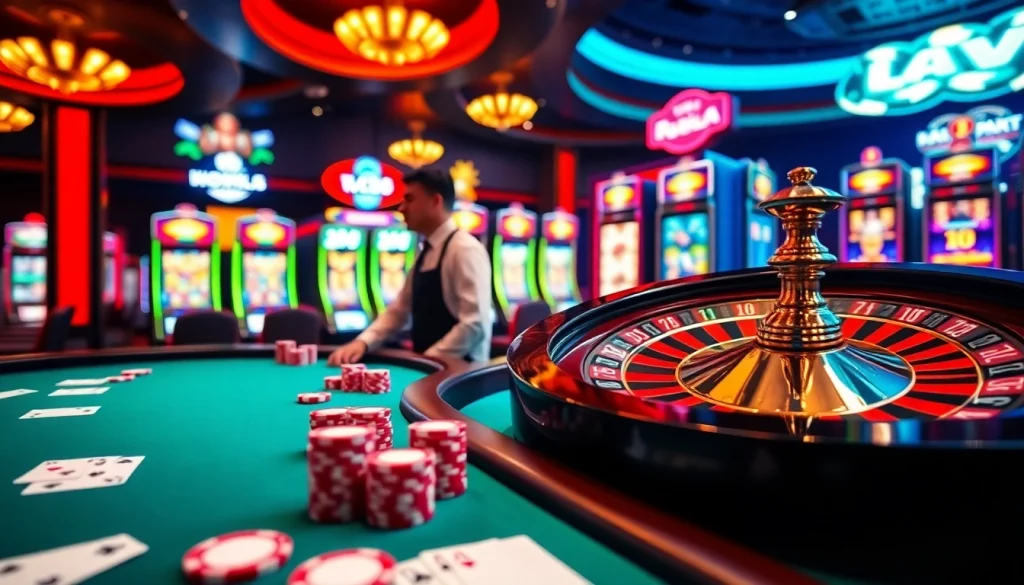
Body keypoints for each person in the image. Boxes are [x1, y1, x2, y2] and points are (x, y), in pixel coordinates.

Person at [328, 168, 493, 365]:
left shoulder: (464, 249)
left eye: (410, 199)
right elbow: (399, 310)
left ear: (435, 201)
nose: (401, 208)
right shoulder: (426, 250)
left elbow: (475, 323)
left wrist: (429, 360)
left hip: (461, 373)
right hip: (435, 369)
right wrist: (363, 342)